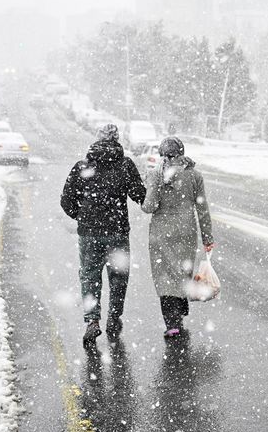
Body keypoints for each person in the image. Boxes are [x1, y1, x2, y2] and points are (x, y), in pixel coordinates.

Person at [60, 124, 146, 346]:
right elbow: (139, 195)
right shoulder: (125, 165)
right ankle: (114, 318)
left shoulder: (83, 166)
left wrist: (81, 216)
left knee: (89, 277)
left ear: (97, 140)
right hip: (117, 232)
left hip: (89, 233)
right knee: (118, 277)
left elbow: (66, 200)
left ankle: (92, 321)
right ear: (117, 140)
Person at [141, 136, 214, 338]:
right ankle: (180, 310)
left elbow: (149, 206)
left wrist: (146, 194)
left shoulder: (157, 174)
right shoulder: (194, 175)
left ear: (163, 154)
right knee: (182, 271)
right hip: (186, 230)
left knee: (165, 275)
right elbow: (202, 208)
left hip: (161, 231)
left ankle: (172, 323)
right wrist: (208, 237)